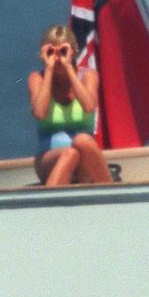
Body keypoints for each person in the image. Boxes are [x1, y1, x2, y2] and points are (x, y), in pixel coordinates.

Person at [28, 24, 113, 186]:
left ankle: (111, 194)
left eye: (63, 52)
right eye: (51, 52)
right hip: (50, 156)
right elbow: (39, 112)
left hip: (85, 156)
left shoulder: (88, 75)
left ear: (73, 51)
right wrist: (49, 69)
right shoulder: (37, 78)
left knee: (82, 140)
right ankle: (47, 206)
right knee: (70, 153)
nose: (58, 58)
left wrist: (69, 68)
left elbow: (89, 106)